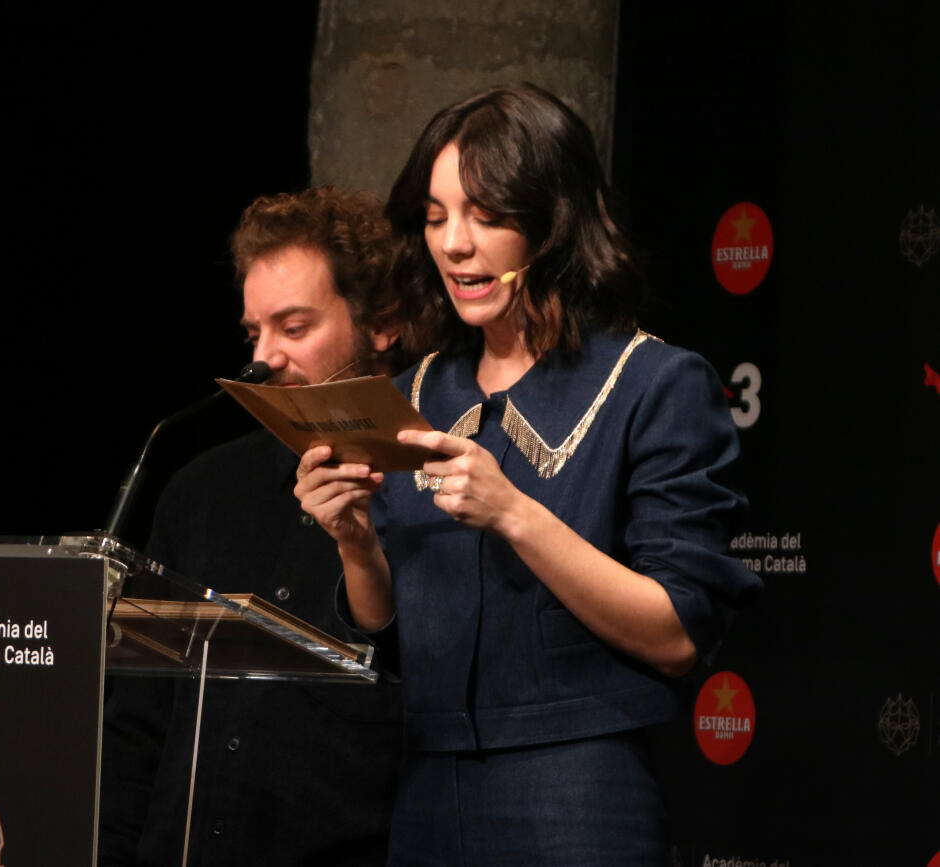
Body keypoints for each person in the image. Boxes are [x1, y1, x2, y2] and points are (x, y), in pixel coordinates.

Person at [294, 84, 762, 865]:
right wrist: (354, 544)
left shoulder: (652, 383)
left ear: (554, 223)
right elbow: (389, 637)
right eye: (436, 216)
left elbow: (678, 632)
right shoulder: (411, 395)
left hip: (577, 788)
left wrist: (515, 513)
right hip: (426, 788)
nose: (454, 244)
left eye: (485, 215)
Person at [99, 187, 409, 865]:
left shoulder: (439, 482)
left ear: (382, 323)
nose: (263, 360)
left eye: (293, 329)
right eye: (253, 333)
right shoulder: (201, 491)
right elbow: (138, 723)